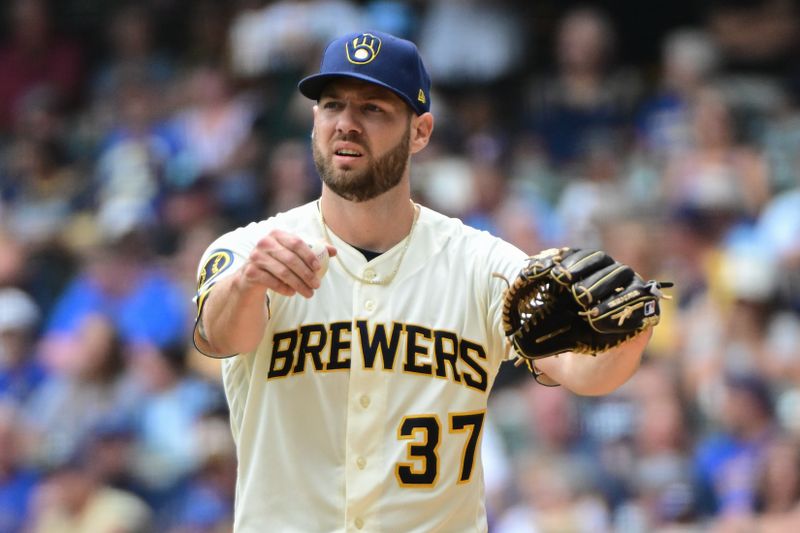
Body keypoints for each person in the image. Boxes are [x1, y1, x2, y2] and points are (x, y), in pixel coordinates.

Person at [193, 30, 655, 532]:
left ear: (420, 132)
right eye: (331, 106)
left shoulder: (482, 263)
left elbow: (584, 371)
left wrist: (631, 331)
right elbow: (218, 336)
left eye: (373, 109)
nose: (346, 124)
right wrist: (246, 283)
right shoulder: (250, 250)